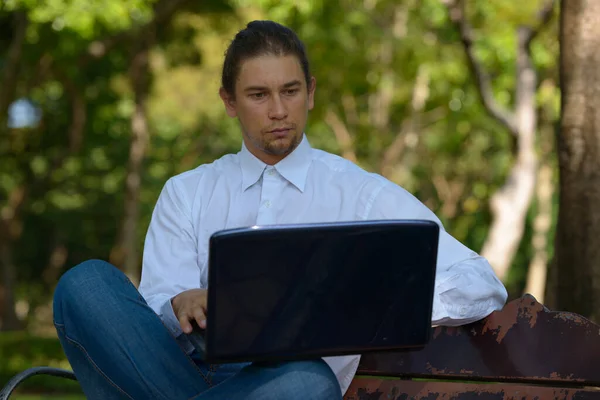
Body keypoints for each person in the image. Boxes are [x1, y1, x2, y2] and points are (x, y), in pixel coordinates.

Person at [53, 20, 508, 400]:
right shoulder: (187, 191)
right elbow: (149, 314)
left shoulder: (362, 194)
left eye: (290, 91)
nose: (278, 110)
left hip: (281, 384)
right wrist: (177, 303)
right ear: (228, 102)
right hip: (180, 365)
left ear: (309, 92)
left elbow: (479, 280)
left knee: (308, 381)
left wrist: (361, 306)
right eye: (258, 96)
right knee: (85, 284)